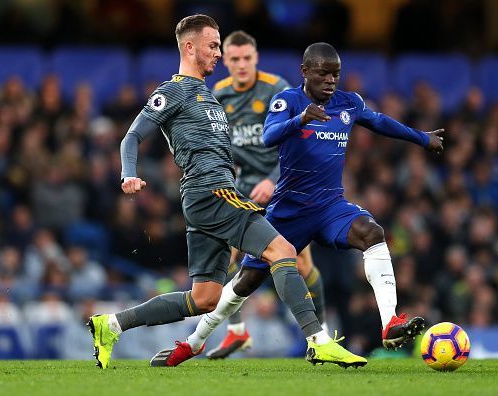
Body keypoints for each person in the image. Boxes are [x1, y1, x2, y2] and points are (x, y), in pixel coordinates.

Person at [88, 16, 365, 370]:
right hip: (211, 191)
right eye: (213, 46)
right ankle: (318, 340)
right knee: (282, 249)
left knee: (204, 299)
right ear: (189, 47)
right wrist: (129, 173)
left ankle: (111, 325)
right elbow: (132, 136)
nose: (219, 53)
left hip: (208, 196)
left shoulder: (208, 93)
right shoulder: (173, 90)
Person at [163, 42, 445, 364]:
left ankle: (390, 322)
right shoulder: (288, 101)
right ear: (305, 72)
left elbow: (379, 121)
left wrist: (422, 138)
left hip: (329, 207)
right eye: (323, 74)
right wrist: (299, 119)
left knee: (372, 232)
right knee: (245, 282)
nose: (330, 81)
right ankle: (195, 341)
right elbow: (269, 136)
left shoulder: (348, 103)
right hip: (289, 211)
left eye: (335, 74)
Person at [204, 30, 329, 359]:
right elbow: (221, 143)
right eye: (234, 59)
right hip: (243, 190)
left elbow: (302, 139)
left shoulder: (278, 89)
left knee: (300, 263)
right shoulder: (219, 93)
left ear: (256, 58)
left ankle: (323, 334)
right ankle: (236, 332)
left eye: (247, 58)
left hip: (285, 184)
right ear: (224, 61)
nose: (241, 65)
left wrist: (273, 179)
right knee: (225, 256)